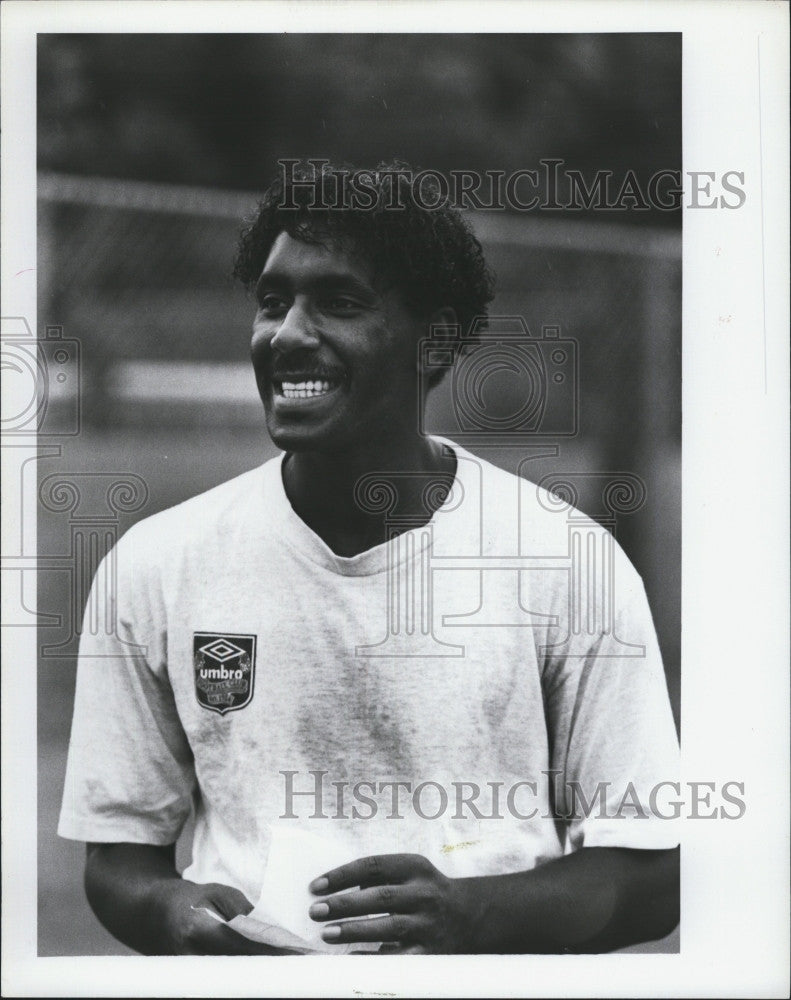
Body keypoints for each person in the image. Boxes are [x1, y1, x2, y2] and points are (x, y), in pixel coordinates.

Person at [58, 161, 680, 955]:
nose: (287, 334)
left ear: (438, 339)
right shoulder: (159, 563)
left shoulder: (562, 561)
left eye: (340, 304)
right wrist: (165, 913)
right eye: (273, 302)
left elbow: (650, 880)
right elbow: (119, 861)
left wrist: (470, 913)